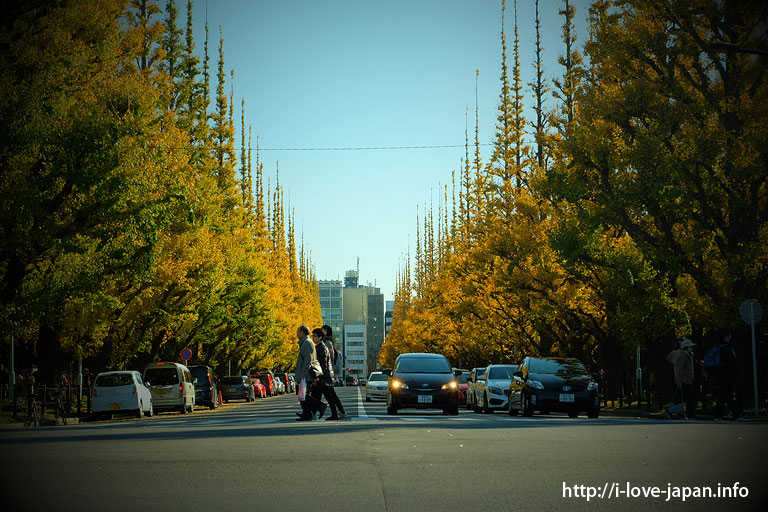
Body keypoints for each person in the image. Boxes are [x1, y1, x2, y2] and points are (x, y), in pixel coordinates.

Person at [294, 325, 324, 421]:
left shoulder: (307, 343)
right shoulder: (306, 342)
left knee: (303, 395)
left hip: (306, 375)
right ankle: (307, 413)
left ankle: (320, 406)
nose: (297, 334)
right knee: (302, 395)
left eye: (298, 332)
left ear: (302, 332)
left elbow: (308, 359)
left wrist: (304, 372)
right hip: (305, 374)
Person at [714, 330, 742, 421]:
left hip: (720, 374)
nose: (731, 337)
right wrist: (738, 371)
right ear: (726, 337)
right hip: (728, 374)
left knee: (726, 394)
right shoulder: (726, 348)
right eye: (730, 336)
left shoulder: (717, 347)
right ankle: (721, 415)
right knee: (725, 394)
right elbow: (733, 362)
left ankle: (735, 414)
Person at [665, 338, 697, 419]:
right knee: (689, 399)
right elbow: (680, 370)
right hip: (684, 380)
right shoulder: (683, 356)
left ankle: (678, 413)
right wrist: (679, 382)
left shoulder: (688, 355)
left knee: (680, 398)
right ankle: (690, 414)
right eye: (690, 346)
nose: (692, 348)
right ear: (686, 347)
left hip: (686, 380)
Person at [321, 325, 346, 419]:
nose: (322, 332)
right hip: (328, 372)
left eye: (323, 330)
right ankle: (340, 411)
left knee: (330, 394)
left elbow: (329, 358)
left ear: (327, 332)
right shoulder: (328, 342)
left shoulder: (327, 342)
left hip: (327, 372)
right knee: (331, 394)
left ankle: (335, 412)